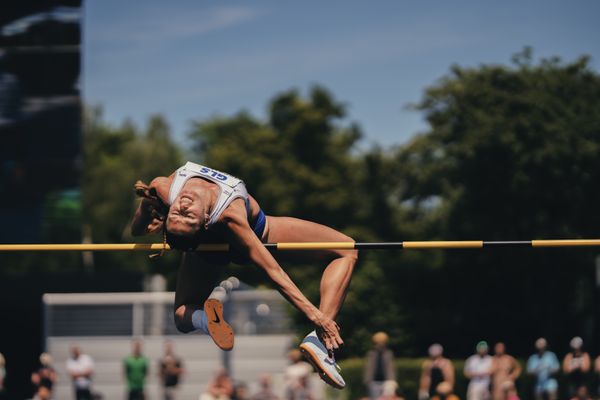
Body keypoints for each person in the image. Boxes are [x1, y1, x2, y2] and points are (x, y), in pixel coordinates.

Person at [131, 162, 358, 389]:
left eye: (176, 214)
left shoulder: (163, 188)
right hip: (251, 236)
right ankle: (318, 340)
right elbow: (273, 272)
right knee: (346, 248)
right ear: (206, 221)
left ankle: (208, 322)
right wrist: (318, 317)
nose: (182, 206)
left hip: (225, 244)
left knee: (183, 315)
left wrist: (147, 209)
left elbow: (136, 229)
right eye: (187, 216)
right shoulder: (229, 215)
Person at [364, 332, 396, 399]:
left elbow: (391, 368)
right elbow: (368, 369)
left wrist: (393, 380)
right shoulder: (371, 354)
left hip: (387, 381)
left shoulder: (388, 354)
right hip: (373, 382)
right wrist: (367, 381)